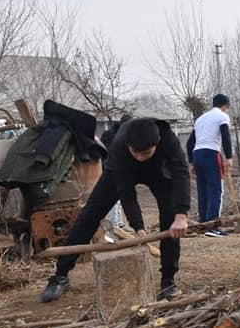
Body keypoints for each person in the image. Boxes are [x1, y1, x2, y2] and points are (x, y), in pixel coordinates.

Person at [40, 118, 190, 302]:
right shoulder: (119, 145)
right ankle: (60, 275)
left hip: (158, 172)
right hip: (121, 171)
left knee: (170, 217)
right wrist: (138, 228)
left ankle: (168, 280)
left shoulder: (169, 140)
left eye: (145, 153)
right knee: (90, 215)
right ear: (129, 145)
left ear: (157, 143)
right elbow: (126, 193)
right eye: (135, 152)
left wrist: (181, 214)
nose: (139, 157)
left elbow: (182, 174)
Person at [186, 94, 233, 237]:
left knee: (203, 190)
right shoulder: (222, 116)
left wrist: (191, 162)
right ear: (225, 106)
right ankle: (213, 226)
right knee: (216, 190)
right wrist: (229, 157)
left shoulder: (200, 119)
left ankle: (203, 223)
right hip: (211, 153)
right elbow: (226, 136)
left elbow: (189, 143)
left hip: (197, 154)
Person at [101, 114, 133, 231]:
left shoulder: (121, 134)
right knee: (113, 198)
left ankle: (119, 223)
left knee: (119, 198)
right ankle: (114, 224)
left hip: (119, 168)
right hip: (109, 169)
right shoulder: (110, 136)